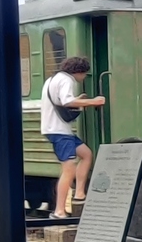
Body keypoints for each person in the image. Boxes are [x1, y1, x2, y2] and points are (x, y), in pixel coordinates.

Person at [42, 54, 106, 218]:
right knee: (68, 170)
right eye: (84, 74)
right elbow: (66, 102)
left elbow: (62, 101)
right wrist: (93, 102)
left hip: (58, 129)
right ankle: (59, 211)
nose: (84, 77)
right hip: (59, 131)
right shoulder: (66, 80)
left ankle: (79, 194)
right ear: (78, 72)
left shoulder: (53, 79)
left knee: (86, 154)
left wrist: (79, 100)